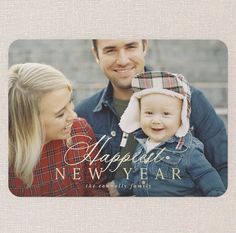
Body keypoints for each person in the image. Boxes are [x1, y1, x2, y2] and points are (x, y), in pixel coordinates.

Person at [75, 39, 227, 188]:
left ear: (144, 46)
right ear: (96, 54)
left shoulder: (188, 100)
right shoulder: (83, 114)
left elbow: (225, 166)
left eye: (130, 47)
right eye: (110, 50)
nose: (122, 60)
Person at [106, 71, 225, 196]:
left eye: (166, 114)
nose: (156, 120)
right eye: (149, 113)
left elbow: (209, 180)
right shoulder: (142, 145)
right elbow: (136, 177)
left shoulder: (188, 150)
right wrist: (119, 187)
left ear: (181, 118)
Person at [8, 63, 108, 197]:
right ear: (29, 123)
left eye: (70, 101)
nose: (74, 116)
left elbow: (97, 190)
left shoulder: (80, 131)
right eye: (60, 114)